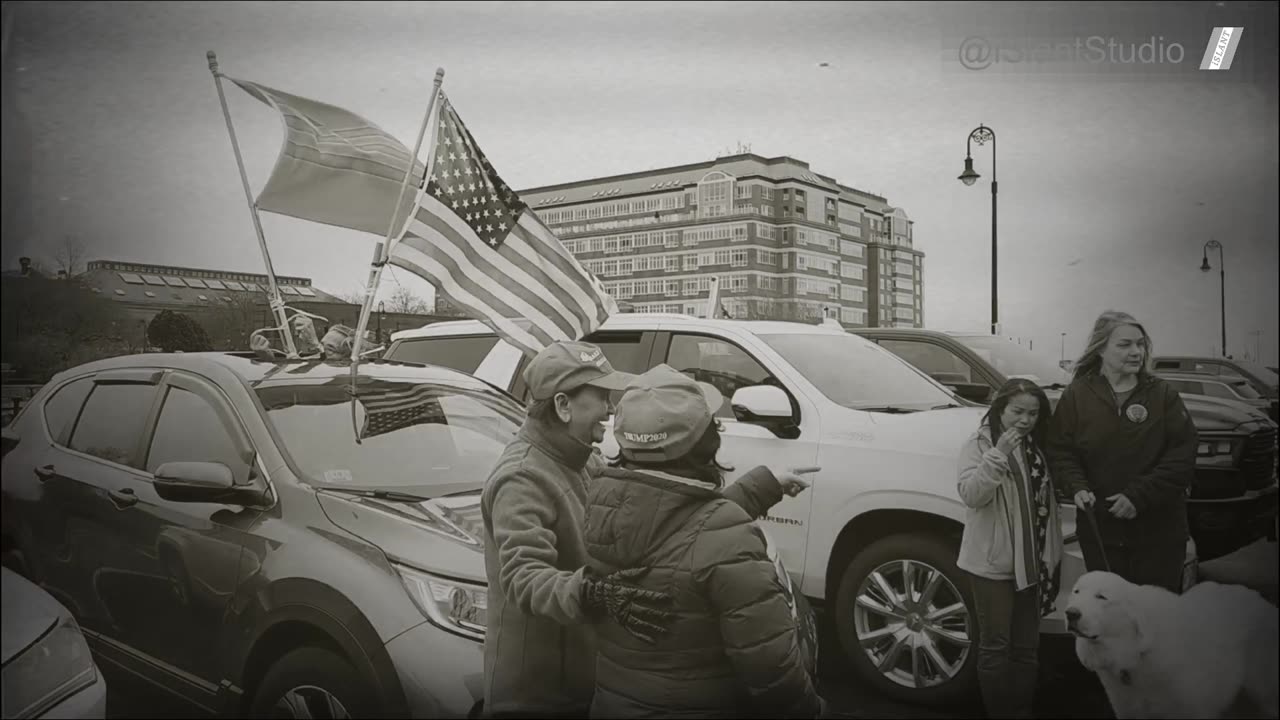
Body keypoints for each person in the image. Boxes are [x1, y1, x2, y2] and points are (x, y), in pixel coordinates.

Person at [583, 364, 826, 719]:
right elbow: (772, 669)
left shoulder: (603, 507)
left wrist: (765, 485)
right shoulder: (727, 536)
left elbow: (680, 534)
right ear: (701, 443)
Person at [480, 341, 675, 719]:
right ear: (563, 405)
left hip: (581, 681)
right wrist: (592, 594)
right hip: (535, 698)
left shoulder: (585, 459)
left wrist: (751, 492)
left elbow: (651, 519)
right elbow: (523, 578)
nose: (611, 408)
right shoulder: (521, 477)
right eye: (602, 395)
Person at [1046, 311, 1197, 592]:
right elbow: (1060, 451)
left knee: (1153, 620)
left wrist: (1138, 496)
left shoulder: (1163, 395)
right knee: (1111, 621)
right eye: (1125, 344)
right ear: (1101, 348)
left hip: (1159, 532)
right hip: (1101, 530)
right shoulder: (1077, 395)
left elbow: (1183, 456)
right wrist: (1076, 486)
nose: (1136, 352)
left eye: (1140, 344)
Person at [957, 378, 1063, 720]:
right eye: (1017, 411)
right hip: (992, 564)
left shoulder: (1037, 445)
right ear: (1000, 408)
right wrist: (998, 454)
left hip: (1031, 562)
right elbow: (972, 495)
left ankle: (1021, 710)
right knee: (995, 647)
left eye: (1033, 413)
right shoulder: (979, 443)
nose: (1025, 420)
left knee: (1026, 649)